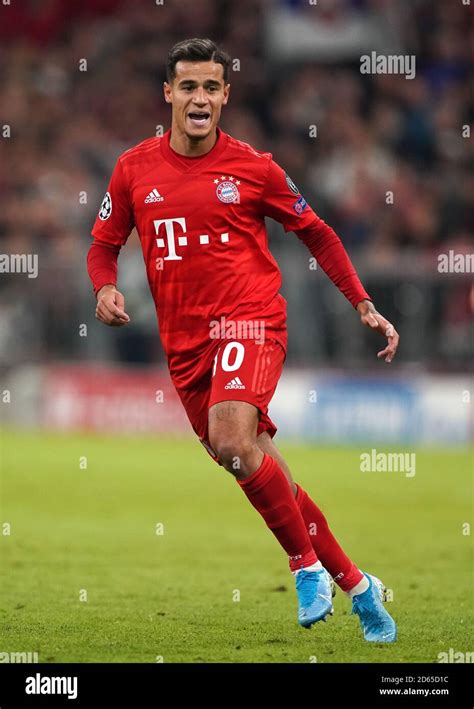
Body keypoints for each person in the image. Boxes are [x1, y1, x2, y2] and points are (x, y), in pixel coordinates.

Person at [87, 38, 399, 641]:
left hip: (250, 321)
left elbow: (317, 232)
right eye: (188, 86)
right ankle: (360, 586)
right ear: (169, 93)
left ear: (225, 96)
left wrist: (361, 300)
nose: (199, 98)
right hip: (185, 347)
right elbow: (103, 244)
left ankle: (305, 568)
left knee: (232, 439)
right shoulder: (132, 169)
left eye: (211, 87)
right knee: (254, 463)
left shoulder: (254, 168)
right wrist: (103, 288)